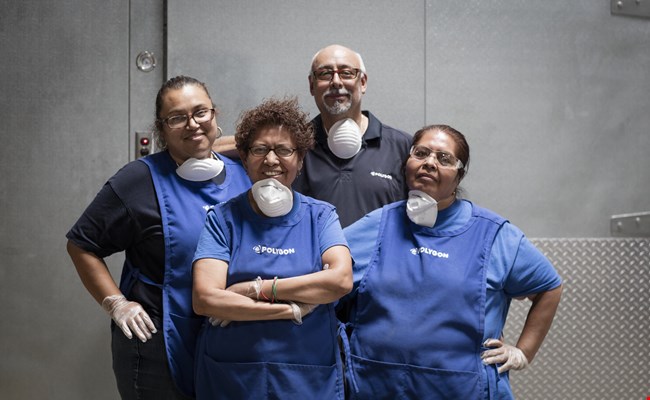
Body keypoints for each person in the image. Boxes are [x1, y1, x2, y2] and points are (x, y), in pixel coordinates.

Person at [339, 124, 563, 399]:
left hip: (462, 389)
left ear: (459, 174)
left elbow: (549, 287)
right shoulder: (378, 225)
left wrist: (523, 351)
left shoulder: (493, 235)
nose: (429, 163)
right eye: (421, 153)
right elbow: (325, 273)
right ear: (407, 162)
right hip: (377, 385)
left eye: (444, 158)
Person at [66, 75, 251, 399]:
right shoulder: (138, 180)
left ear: (215, 114)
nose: (192, 124)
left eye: (201, 112)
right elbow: (81, 245)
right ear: (161, 129)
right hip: (156, 346)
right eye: (177, 118)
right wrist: (117, 304)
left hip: (228, 341)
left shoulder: (245, 175)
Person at [192, 97, 353, 399]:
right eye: (259, 149)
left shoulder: (321, 217)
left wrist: (256, 289)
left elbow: (340, 281)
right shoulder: (223, 219)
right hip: (235, 377)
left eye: (283, 150)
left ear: (300, 159)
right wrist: (291, 309)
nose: (271, 160)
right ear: (244, 158)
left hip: (306, 376)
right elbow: (205, 299)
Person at [291, 44, 412, 227]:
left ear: (362, 82)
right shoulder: (293, 147)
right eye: (325, 74)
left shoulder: (402, 146)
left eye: (346, 73)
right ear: (311, 85)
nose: (336, 82)